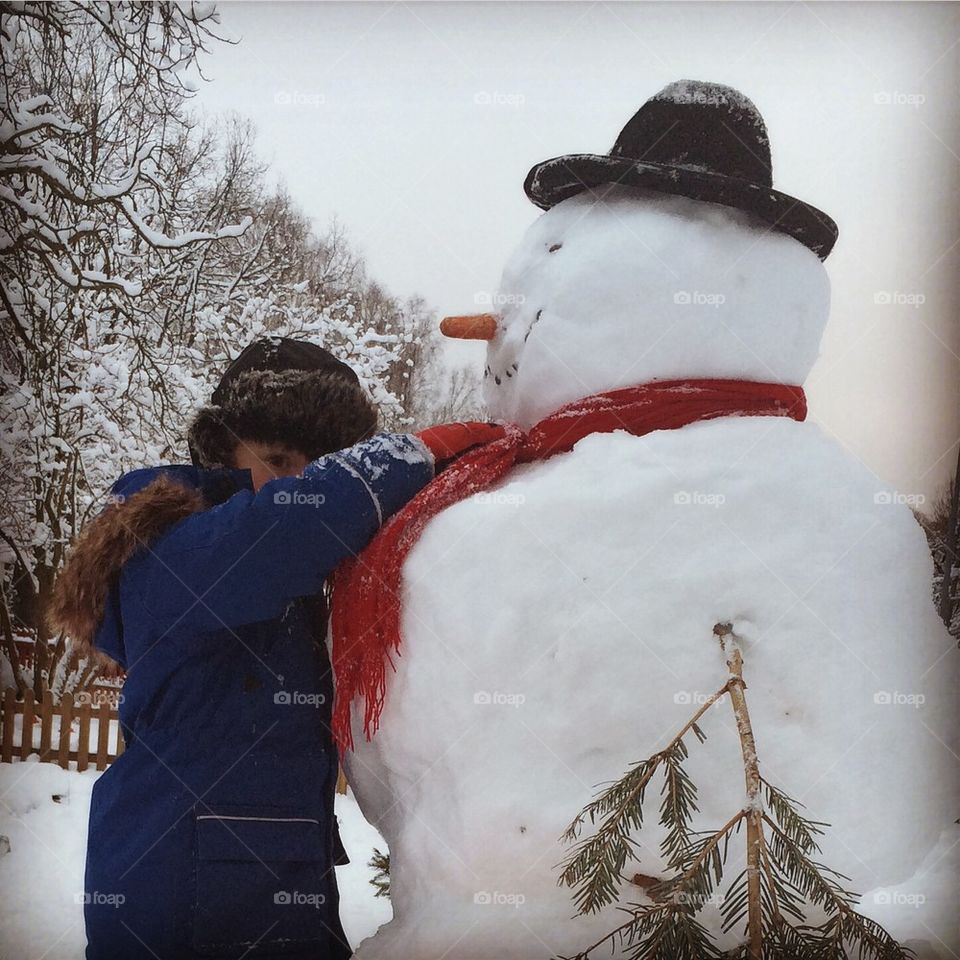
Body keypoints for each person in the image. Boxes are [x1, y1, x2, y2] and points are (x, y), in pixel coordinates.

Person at [49, 337, 502, 960]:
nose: (301, 481)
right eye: (280, 458)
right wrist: (413, 455)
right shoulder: (162, 540)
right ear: (223, 451)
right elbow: (278, 532)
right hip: (176, 898)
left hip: (273, 888)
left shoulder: (286, 579)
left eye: (320, 463)